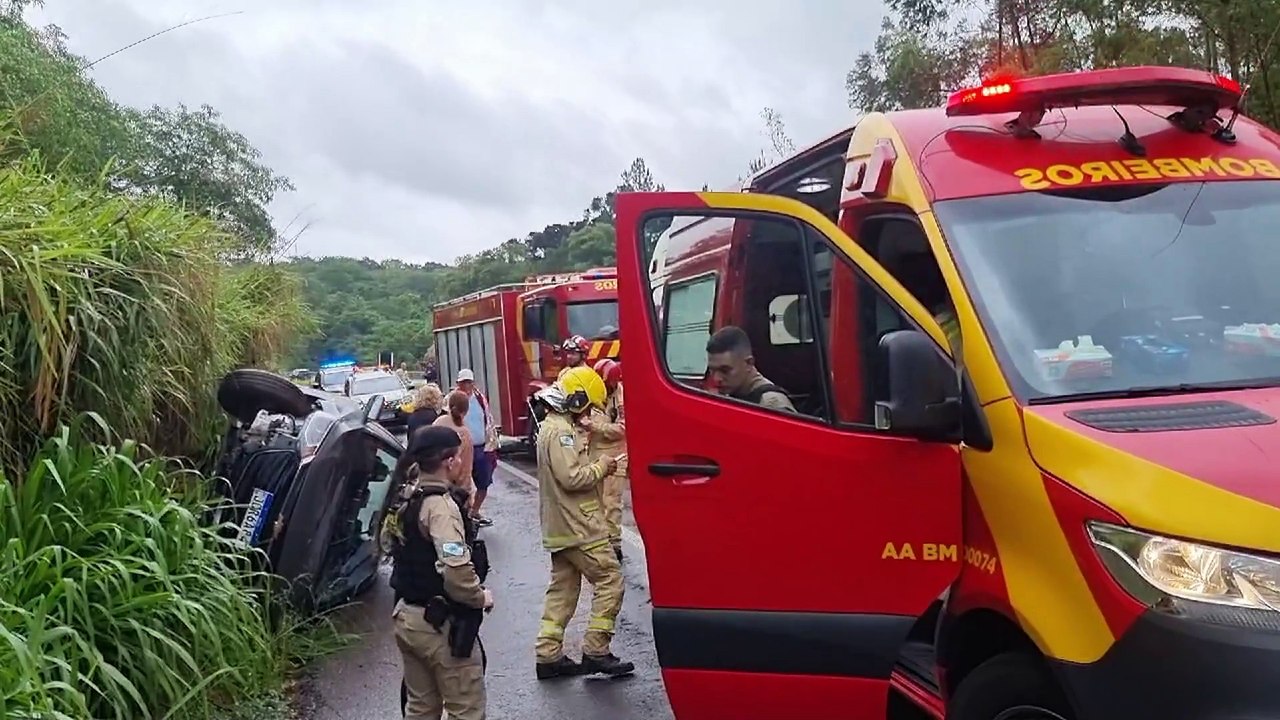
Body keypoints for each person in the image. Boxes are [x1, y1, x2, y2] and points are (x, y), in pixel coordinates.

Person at [382, 425, 494, 720]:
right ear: (449, 462)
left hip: (407, 617)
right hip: (439, 627)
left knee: (420, 708)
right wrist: (479, 597)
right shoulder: (440, 508)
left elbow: (386, 543)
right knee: (465, 710)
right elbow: (456, 568)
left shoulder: (404, 498)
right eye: (458, 456)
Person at [533, 365, 634, 680]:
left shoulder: (551, 426)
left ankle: (548, 655)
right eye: (588, 405)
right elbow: (572, 477)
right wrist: (602, 466)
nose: (589, 411)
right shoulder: (561, 431)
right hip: (580, 526)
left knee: (562, 590)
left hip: (561, 526)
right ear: (576, 399)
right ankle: (596, 650)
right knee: (610, 580)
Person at [584, 358, 626, 561]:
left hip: (616, 456)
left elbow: (622, 429)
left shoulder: (621, 396)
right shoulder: (591, 392)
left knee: (611, 502)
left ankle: (614, 546)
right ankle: (600, 542)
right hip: (593, 456)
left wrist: (594, 427)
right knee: (595, 503)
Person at [704, 325, 796, 413]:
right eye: (712, 370)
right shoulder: (731, 393)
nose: (716, 379)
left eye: (725, 370)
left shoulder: (772, 405)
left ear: (749, 363)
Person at [454, 369, 497, 527]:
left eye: (469, 382)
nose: (466, 385)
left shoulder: (480, 398)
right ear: (457, 383)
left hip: (481, 448)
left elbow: (488, 419)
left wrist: (491, 442)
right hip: (462, 449)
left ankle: (474, 512)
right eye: (463, 382)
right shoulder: (452, 400)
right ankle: (463, 515)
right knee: (461, 485)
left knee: (483, 483)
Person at [433, 391, 476, 504]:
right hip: (453, 488)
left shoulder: (438, 422)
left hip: (435, 483)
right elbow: (466, 468)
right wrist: (467, 493)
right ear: (466, 410)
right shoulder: (464, 432)